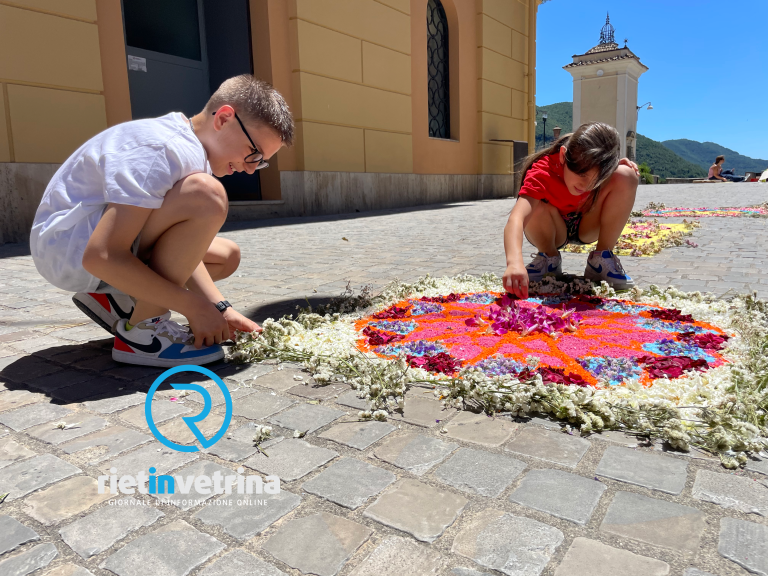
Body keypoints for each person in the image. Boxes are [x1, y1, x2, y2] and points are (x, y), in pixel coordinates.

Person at [30, 75, 293, 367]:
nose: (250, 169)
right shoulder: (163, 148)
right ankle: (142, 334)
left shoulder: (188, 148)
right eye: (252, 153)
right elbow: (101, 256)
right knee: (207, 196)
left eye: (260, 162)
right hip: (70, 251)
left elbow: (179, 249)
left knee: (226, 255)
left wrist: (220, 309)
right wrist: (193, 306)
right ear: (224, 118)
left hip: (83, 244)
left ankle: (117, 302)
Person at [503, 122, 640, 299]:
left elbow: (609, 174)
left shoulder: (596, 166)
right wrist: (514, 263)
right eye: (581, 175)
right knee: (533, 202)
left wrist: (614, 168)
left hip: (587, 224)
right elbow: (516, 219)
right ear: (562, 156)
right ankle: (548, 258)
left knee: (627, 174)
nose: (586, 185)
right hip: (551, 228)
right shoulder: (542, 171)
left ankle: (601, 258)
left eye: (596, 178)